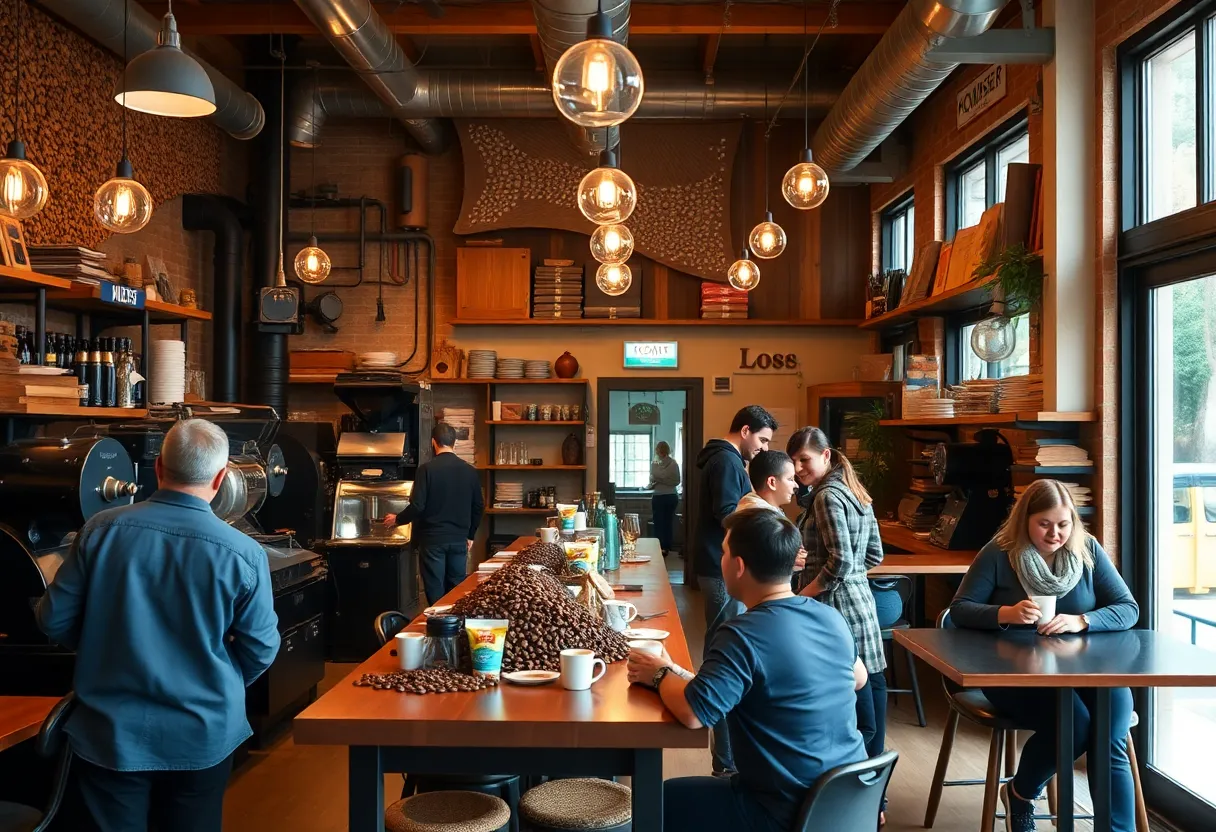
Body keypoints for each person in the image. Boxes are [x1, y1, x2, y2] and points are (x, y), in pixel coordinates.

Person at [36, 419, 280, 832]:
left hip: (110, 732)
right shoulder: (243, 552)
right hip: (203, 732)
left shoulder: (100, 530)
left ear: (159, 470)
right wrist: (219, 681)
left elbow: (52, 618)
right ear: (221, 478)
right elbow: (261, 649)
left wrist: (104, 646)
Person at [628, 508, 868, 832]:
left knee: (658, 799)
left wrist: (658, 675)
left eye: (724, 552)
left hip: (780, 812)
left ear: (738, 566)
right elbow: (857, 678)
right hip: (852, 804)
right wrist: (674, 670)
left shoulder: (742, 633)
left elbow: (692, 713)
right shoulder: (829, 617)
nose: (721, 559)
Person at [949, 479, 1139, 832]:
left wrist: (1083, 620)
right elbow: (959, 610)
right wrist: (1005, 613)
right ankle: (1022, 794)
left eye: (1063, 524)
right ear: (1025, 521)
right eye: (1044, 524)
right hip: (1012, 673)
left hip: (1090, 669)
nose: (1055, 534)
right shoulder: (999, 552)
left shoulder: (1088, 551)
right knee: (1077, 725)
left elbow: (1127, 608)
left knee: (1110, 733)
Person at [788, 427, 888, 762]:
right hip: (862, 601)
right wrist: (854, 577)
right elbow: (873, 555)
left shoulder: (826, 496)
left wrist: (805, 592)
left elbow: (841, 560)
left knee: (855, 704)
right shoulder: (855, 490)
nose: (799, 468)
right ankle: (876, 791)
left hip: (836, 605)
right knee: (872, 686)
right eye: (794, 462)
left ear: (826, 455)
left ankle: (857, 786)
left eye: (805, 459)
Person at [693, 404, 778, 776]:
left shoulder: (720, 458)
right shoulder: (727, 461)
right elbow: (729, 512)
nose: (761, 449)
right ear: (744, 430)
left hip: (719, 566)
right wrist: (765, 526)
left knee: (724, 656)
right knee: (725, 663)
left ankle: (726, 760)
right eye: (761, 440)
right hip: (722, 567)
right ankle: (725, 765)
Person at [385, 421, 485, 605]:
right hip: (459, 539)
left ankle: (439, 629)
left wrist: (397, 519)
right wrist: (470, 535)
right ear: (454, 443)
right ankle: (455, 629)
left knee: (435, 589)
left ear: (433, 442)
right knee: (456, 589)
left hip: (432, 541)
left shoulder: (426, 470)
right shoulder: (470, 472)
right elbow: (479, 506)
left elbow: (417, 506)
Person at [648, 441, 681, 556]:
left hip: (659, 496)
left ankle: (659, 547)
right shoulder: (674, 464)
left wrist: (659, 480)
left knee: (658, 523)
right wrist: (666, 481)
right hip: (672, 495)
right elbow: (676, 481)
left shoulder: (655, 464)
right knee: (668, 522)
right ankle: (667, 546)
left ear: (657, 450)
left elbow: (653, 478)